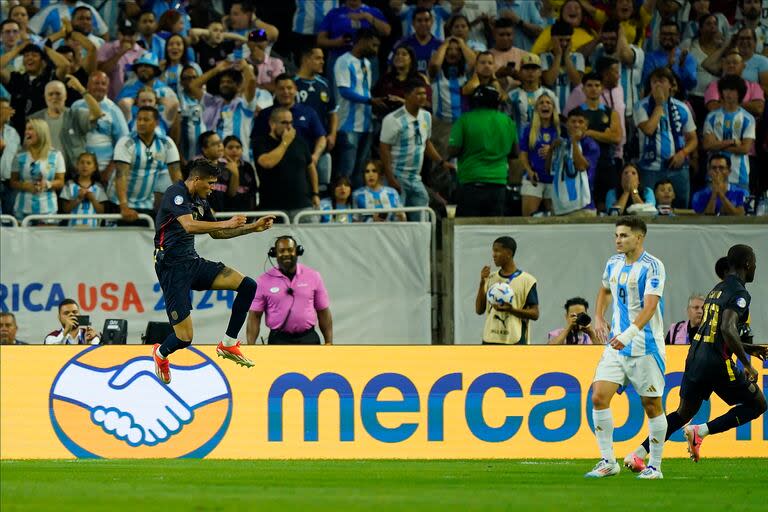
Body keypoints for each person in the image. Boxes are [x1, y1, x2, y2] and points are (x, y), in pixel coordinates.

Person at [625, 245, 767, 471]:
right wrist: (748, 364)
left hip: (695, 356)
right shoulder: (740, 293)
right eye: (755, 263)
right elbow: (728, 329)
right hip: (716, 362)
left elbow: (718, 331)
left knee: (683, 413)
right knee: (758, 404)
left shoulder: (716, 290)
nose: (755, 268)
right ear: (748, 263)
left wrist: (748, 348)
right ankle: (700, 431)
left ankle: (638, 454)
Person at [151, 158, 276, 383]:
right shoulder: (175, 193)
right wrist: (227, 222)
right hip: (171, 269)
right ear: (196, 179)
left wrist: (252, 228)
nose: (212, 188)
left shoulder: (201, 201)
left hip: (192, 262)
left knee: (248, 285)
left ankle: (228, 344)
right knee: (185, 337)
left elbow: (218, 233)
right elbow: (189, 225)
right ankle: (160, 354)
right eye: (209, 183)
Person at [588, 217, 667, 479]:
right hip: (616, 346)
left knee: (652, 405)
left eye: (623, 235)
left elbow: (650, 306)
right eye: (616, 236)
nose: (618, 240)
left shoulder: (653, 266)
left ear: (639, 237)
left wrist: (629, 334)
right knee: (599, 396)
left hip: (644, 347)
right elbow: (605, 290)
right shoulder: (613, 263)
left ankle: (655, 466)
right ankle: (608, 461)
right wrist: (599, 316)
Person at [380, 80, 451, 221]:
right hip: (398, 175)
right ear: (406, 95)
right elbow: (384, 149)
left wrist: (441, 162)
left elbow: (425, 142)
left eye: (424, 93)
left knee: (422, 219)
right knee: (398, 219)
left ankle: (421, 242)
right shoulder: (393, 119)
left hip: (415, 177)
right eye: (418, 93)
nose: (423, 97)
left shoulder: (426, 116)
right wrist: (390, 177)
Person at [246, 236, 333, 345]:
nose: (286, 254)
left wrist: (329, 342)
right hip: (278, 340)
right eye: (281, 251)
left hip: (309, 338)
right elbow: (254, 316)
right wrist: (251, 346)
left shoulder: (313, 276)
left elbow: (323, 311)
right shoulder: (263, 281)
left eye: (290, 250)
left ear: (297, 251)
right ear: (274, 254)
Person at [634, 67, 698, 209]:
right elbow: (649, 129)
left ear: (671, 85)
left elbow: (693, 139)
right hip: (650, 168)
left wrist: (683, 153)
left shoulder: (682, 107)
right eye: (654, 81)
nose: (657, 85)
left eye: (662, 81)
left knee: (681, 208)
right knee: (649, 208)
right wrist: (659, 105)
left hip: (678, 168)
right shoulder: (641, 106)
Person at [448, 85, 515, 217]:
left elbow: (453, 151)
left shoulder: (464, 120)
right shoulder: (507, 121)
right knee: (494, 231)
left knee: (469, 229)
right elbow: (515, 152)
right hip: (498, 182)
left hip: (470, 182)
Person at [112, 106, 182, 223]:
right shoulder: (126, 142)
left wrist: (182, 203)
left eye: (146, 120)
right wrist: (123, 206)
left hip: (147, 205)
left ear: (156, 123)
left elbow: (176, 175)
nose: (141, 123)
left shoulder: (166, 143)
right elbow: (121, 175)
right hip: (119, 204)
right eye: (139, 119)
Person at [334, 28, 383, 188]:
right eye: (373, 45)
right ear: (362, 41)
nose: (375, 50)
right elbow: (344, 91)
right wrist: (370, 101)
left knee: (361, 171)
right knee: (346, 171)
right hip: (348, 124)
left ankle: (357, 207)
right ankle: (342, 209)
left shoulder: (367, 63)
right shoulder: (343, 61)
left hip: (366, 124)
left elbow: (366, 90)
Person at [254, 107, 320, 221]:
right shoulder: (261, 142)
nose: (289, 127)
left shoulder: (300, 142)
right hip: (272, 207)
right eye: (284, 123)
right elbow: (267, 163)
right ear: (272, 124)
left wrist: (315, 193)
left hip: (303, 205)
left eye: (290, 123)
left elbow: (311, 167)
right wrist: (285, 142)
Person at [475, 236, 539, 345]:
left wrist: (512, 310)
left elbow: (535, 314)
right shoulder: (490, 278)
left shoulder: (527, 280)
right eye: (493, 251)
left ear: (509, 253)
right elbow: (479, 310)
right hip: (489, 339)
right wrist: (482, 282)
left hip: (514, 340)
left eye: (497, 251)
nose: (493, 255)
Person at [29, 77, 101, 173]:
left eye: (58, 94)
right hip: (43, 175)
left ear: (65, 96)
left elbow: (97, 113)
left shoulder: (75, 115)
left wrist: (81, 89)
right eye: (50, 94)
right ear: (45, 97)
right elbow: (28, 148)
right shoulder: (35, 119)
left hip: (73, 175)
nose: (54, 97)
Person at [701, 75, 756, 191]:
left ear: (739, 93)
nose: (728, 93)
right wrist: (732, 142)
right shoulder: (711, 117)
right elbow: (707, 145)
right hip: (713, 176)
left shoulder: (748, 118)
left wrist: (717, 145)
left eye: (732, 90)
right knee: (712, 208)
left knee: (740, 209)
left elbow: (745, 149)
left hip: (739, 176)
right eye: (725, 89)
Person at [9, 119, 66, 222]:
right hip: (22, 211)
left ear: (40, 131)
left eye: (30, 129)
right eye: (26, 129)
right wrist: (24, 186)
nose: (26, 132)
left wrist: (48, 184)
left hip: (47, 211)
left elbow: (61, 181)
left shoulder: (56, 155)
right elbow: (13, 182)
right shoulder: (19, 156)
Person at [550, 108, 600, 217]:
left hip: (583, 207)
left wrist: (574, 141)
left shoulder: (590, 145)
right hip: (560, 207)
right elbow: (550, 171)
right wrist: (551, 149)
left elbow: (581, 166)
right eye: (573, 121)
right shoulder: (562, 144)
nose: (576, 125)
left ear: (586, 126)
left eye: (581, 122)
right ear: (567, 124)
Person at [520, 94, 559, 216]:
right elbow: (523, 154)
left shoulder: (560, 130)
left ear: (553, 108)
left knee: (555, 222)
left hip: (555, 181)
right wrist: (529, 171)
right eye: (541, 103)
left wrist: (553, 149)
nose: (545, 105)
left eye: (548, 102)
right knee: (528, 220)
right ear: (536, 109)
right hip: (534, 178)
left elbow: (568, 153)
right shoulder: (529, 129)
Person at [59, 152, 108, 227]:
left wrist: (93, 200)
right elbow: (65, 209)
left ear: (94, 168)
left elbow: (101, 211)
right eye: (82, 162)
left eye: (88, 163)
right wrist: (78, 199)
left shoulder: (98, 187)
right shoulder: (69, 185)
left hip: (92, 228)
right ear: (77, 165)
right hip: (73, 228)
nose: (85, 166)